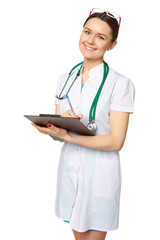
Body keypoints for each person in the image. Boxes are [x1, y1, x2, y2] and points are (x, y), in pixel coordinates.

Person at [32, 8, 135, 240]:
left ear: (112, 45)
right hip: (69, 170)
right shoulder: (65, 79)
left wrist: (68, 135)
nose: (90, 40)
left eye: (101, 37)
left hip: (99, 175)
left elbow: (116, 141)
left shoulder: (120, 84)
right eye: (87, 32)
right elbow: (61, 134)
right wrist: (54, 129)